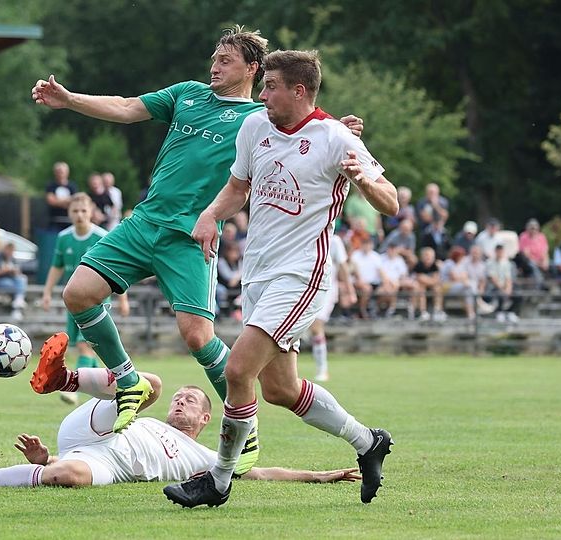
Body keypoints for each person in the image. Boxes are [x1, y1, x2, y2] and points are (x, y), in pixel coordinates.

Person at [31, 26, 365, 444]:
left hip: (191, 236)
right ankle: (129, 381)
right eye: (214, 59)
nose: (214, 67)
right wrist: (70, 100)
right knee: (78, 293)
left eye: (225, 60)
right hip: (144, 222)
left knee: (198, 337)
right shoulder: (186, 94)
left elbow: (304, 120)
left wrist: (336, 127)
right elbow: (127, 106)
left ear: (252, 69)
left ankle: (245, 432)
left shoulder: (258, 118)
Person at [163, 49, 396, 509]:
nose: (262, 95)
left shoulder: (334, 137)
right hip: (258, 275)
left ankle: (219, 480)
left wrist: (365, 183)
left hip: (301, 274)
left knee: (236, 370)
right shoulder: (255, 127)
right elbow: (238, 187)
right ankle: (368, 441)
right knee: (280, 391)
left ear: (299, 90)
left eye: (270, 86)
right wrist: (210, 215)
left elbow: (390, 201)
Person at [0, 365, 360, 489]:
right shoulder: (144, 418)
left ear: (206, 420)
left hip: (104, 462)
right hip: (102, 428)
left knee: (66, 476)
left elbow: (260, 472)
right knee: (151, 385)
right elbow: (153, 395)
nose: (181, 402)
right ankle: (66, 379)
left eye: (191, 401)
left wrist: (321, 475)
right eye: (181, 400)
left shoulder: (209, 458)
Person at [41, 194, 128, 404]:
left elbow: (116, 268)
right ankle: (106, 392)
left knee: (84, 345)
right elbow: (57, 266)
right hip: (73, 302)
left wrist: (123, 299)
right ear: (69, 213)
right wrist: (47, 292)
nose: (79, 215)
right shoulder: (64, 237)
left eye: (83, 211)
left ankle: (73, 389)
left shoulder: (101, 236)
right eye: (75, 211)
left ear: (91, 212)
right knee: (88, 348)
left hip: (97, 301)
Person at [309, 232, 354, 381]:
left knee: (316, 326)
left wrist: (350, 291)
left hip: (326, 289)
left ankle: (322, 369)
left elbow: (343, 267)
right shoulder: (308, 234)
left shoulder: (335, 241)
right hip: (307, 287)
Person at [485, 244, 520, 322]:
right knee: (500, 294)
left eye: (501, 251)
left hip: (505, 285)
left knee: (518, 294)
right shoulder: (489, 262)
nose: (500, 253)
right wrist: (502, 289)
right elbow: (493, 278)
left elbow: (508, 278)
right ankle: (500, 312)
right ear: (495, 251)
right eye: (498, 251)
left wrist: (508, 289)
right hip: (494, 286)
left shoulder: (506, 263)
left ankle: (511, 312)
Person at [350, 238, 384, 319]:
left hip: (374, 283)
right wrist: (361, 281)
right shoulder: (355, 255)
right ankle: (363, 311)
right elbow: (354, 272)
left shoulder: (376, 256)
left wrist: (386, 282)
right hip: (358, 282)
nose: (367, 247)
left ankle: (376, 310)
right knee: (366, 289)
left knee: (386, 290)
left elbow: (381, 271)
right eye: (365, 244)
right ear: (361, 245)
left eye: (368, 244)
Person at [412, 247, 445, 321]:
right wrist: (432, 281)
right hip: (421, 286)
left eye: (430, 256)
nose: (428, 258)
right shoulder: (418, 265)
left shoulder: (436, 265)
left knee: (438, 288)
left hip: (431, 285)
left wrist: (431, 281)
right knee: (421, 288)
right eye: (426, 255)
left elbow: (437, 279)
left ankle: (437, 311)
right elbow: (420, 278)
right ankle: (422, 312)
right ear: (422, 257)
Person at [45, 162, 76, 231]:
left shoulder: (72, 186)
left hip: (69, 221)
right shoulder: (51, 185)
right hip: (54, 221)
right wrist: (67, 201)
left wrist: (57, 200)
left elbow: (74, 202)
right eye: (58, 171)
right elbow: (51, 201)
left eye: (62, 171)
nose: (60, 174)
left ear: (67, 172)